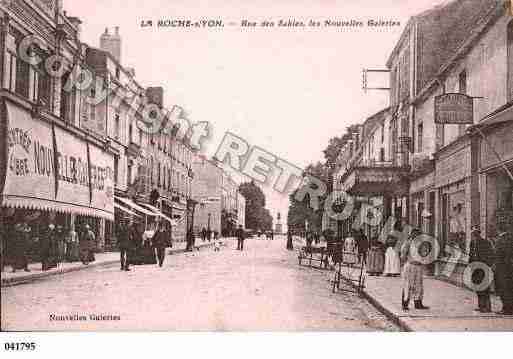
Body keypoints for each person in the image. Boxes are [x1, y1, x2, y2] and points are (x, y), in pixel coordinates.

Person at [401, 228, 429, 311]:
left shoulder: (422, 244)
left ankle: (418, 303)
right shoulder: (408, 243)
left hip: (419, 266)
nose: (417, 236)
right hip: (410, 265)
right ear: (412, 235)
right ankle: (405, 303)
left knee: (418, 285)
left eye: (418, 235)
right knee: (408, 285)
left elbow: (425, 255)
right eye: (415, 234)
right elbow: (403, 254)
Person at [468, 225, 495, 313]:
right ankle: (481, 305)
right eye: (473, 233)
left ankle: (487, 307)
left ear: (479, 233)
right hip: (475, 268)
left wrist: (488, 265)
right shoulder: (472, 243)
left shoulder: (485, 242)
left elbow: (490, 255)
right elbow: (471, 255)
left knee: (485, 287)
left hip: (483, 268)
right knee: (478, 287)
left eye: (476, 233)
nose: (475, 235)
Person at [494, 230, 513, 315]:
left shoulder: (504, 239)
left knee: (505, 289)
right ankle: (506, 307)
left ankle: (507, 308)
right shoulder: (503, 239)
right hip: (501, 268)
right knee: (503, 289)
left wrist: (505, 267)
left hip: (503, 269)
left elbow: (507, 255)